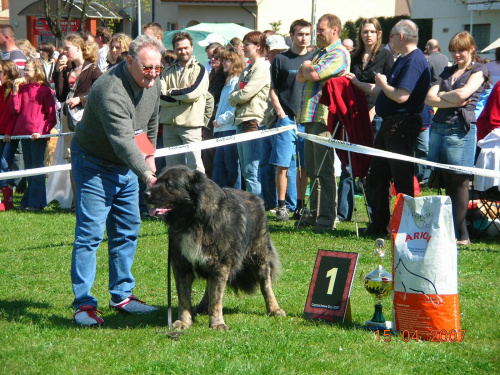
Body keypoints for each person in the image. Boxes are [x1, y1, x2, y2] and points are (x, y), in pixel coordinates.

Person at [70, 35, 163, 327]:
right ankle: (83, 305)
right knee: (90, 234)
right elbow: (123, 141)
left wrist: (151, 162)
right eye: (147, 68)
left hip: (126, 165)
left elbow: (149, 125)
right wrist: (147, 175)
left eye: (158, 68)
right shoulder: (110, 88)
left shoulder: (154, 83)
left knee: (128, 229)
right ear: (130, 61)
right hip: (94, 163)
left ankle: (122, 295)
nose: (153, 74)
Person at [364, 19, 431, 236]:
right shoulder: (403, 59)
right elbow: (388, 92)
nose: (389, 38)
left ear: (400, 37)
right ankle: (380, 224)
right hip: (390, 124)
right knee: (378, 176)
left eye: (391, 35)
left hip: (402, 124)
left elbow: (402, 96)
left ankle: (406, 227)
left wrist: (383, 83)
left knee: (401, 177)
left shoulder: (414, 60)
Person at [425, 31, 488, 247]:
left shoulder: (479, 70)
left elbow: (464, 95)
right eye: (453, 50)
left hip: (461, 130)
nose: (456, 54)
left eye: (461, 49)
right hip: (439, 128)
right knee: (446, 181)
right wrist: (449, 98)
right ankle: (461, 236)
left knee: (459, 183)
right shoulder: (447, 70)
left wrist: (441, 97)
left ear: (471, 49)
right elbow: (428, 98)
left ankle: (455, 235)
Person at [296, 14, 350, 233]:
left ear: (335, 30)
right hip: (309, 116)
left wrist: (307, 66)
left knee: (324, 171)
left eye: (321, 29)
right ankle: (316, 215)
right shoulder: (318, 53)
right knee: (312, 170)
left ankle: (327, 219)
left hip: (324, 118)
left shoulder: (338, 53)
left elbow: (315, 73)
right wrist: (307, 68)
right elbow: (301, 77)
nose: (317, 33)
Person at [343, 18, 394, 222]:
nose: (368, 35)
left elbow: (387, 89)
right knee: (348, 163)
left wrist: (373, 110)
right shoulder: (353, 56)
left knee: (375, 167)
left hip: (377, 116)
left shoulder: (386, 56)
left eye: (372, 31)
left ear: (379, 34)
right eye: (365, 31)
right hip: (353, 115)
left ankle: (377, 216)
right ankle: (343, 213)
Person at [270, 19, 313, 221]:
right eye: (300, 34)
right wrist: (281, 113)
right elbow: (273, 89)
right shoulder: (281, 59)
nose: (303, 38)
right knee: (283, 165)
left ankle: (302, 207)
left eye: (307, 34)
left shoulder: (314, 59)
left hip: (307, 119)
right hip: (287, 119)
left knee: (304, 165)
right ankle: (281, 205)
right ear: (291, 35)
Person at [53, 33, 102, 207]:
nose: (64, 52)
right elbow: (60, 95)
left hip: (86, 118)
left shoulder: (93, 69)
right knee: (71, 158)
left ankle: (88, 198)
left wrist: (81, 99)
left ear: (78, 48)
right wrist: (59, 71)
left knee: (85, 156)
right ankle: (76, 200)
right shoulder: (67, 69)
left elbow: (101, 93)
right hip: (68, 118)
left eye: (67, 48)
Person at [9, 59, 57, 210]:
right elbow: (15, 110)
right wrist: (15, 91)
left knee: (36, 169)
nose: (25, 72)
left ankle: (35, 203)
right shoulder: (22, 88)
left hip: (37, 135)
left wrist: (42, 131)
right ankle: (33, 201)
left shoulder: (45, 91)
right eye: (25, 69)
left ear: (37, 71)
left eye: (28, 69)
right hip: (23, 133)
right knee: (29, 169)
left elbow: (51, 117)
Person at [228, 31, 270, 197]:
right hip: (240, 120)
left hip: (252, 121)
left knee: (252, 171)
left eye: (246, 44)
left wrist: (236, 97)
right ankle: (252, 206)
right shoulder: (248, 69)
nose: (243, 47)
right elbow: (236, 92)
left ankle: (257, 210)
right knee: (246, 170)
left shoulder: (263, 68)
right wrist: (236, 97)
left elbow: (245, 93)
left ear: (258, 46)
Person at [160, 32, 209, 172]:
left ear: (192, 47)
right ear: (174, 50)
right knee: (172, 170)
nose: (183, 51)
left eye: (186, 47)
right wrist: (181, 98)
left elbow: (192, 94)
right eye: (179, 48)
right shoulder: (166, 71)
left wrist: (171, 92)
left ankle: (201, 194)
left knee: (195, 168)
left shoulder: (200, 69)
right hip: (169, 126)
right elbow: (160, 96)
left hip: (191, 126)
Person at [212, 49, 245, 189]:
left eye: (227, 60)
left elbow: (234, 108)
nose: (224, 63)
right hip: (222, 128)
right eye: (224, 60)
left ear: (234, 62)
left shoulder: (236, 81)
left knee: (231, 165)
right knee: (219, 164)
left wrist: (220, 120)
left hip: (229, 128)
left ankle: (235, 195)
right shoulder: (228, 81)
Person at [0, 60, 21, 211]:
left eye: (1, 72)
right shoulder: (1, 89)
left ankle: (8, 200)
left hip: (10, 134)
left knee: (4, 163)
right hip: (1, 132)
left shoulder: (18, 90)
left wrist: (8, 131)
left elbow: (16, 113)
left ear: (9, 73)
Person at [202, 43, 225, 178]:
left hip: (216, 119)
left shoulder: (222, 76)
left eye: (216, 57)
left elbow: (212, 97)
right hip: (210, 119)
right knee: (207, 157)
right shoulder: (212, 74)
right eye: (211, 57)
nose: (212, 60)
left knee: (212, 157)